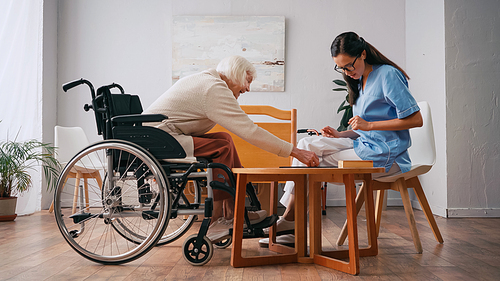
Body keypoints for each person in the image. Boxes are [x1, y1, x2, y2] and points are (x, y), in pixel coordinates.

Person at [259, 31, 423, 246]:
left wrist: (369, 125)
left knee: (310, 158)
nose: (347, 71)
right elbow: (362, 130)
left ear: (362, 54)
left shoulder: (387, 75)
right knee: (306, 144)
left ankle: (290, 222)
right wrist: (340, 134)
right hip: (364, 146)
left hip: (387, 155)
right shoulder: (360, 81)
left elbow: (416, 119)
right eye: (341, 68)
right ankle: (290, 222)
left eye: (349, 66)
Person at [144, 55, 319, 242]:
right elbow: (251, 131)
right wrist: (296, 151)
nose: (248, 88)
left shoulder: (209, 81)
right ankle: (219, 217)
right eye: (248, 81)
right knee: (221, 146)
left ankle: (234, 212)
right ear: (237, 74)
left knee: (224, 139)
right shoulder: (213, 89)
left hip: (163, 135)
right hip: (158, 138)